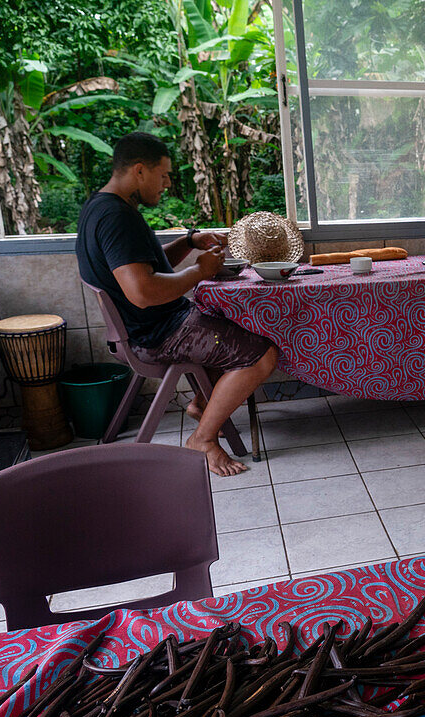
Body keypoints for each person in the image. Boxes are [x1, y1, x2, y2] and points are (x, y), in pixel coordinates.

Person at [76, 132, 278, 477]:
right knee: (261, 356)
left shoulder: (103, 206)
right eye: (163, 174)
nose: (167, 183)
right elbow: (142, 291)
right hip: (157, 334)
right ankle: (203, 438)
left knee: (231, 323)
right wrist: (199, 271)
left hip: (149, 327)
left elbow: (145, 266)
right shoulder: (116, 218)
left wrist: (188, 241)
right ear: (139, 171)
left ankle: (203, 404)